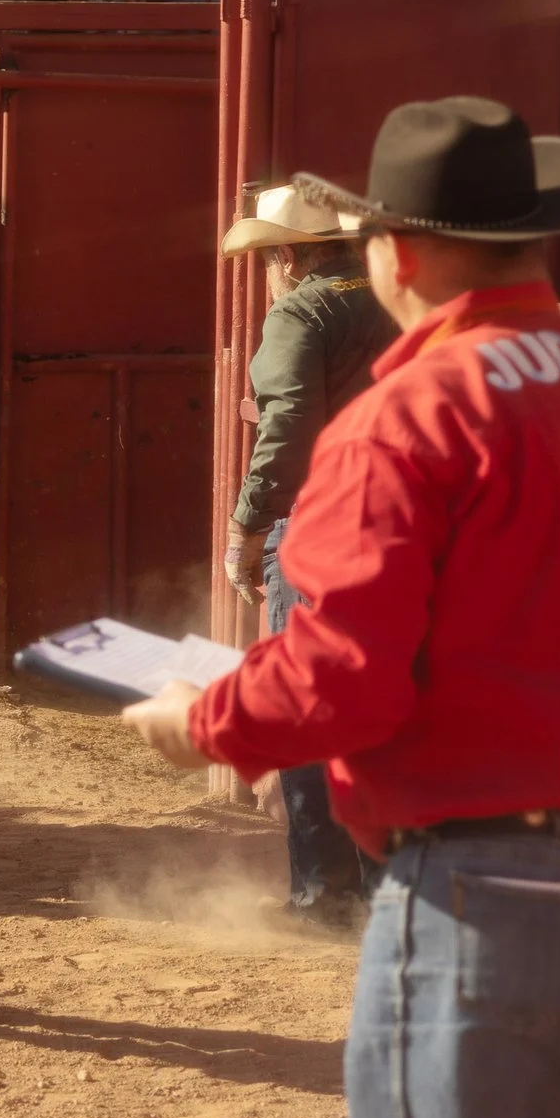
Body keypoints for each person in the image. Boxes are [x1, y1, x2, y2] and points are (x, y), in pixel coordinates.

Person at [120, 97, 560, 1118]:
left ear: (396, 249)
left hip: (484, 887)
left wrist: (207, 722)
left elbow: (345, 678)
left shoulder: (405, 417)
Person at [216, 183, 395, 924]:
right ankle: (395, 888)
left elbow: (288, 427)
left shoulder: (302, 311)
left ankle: (325, 893)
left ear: (286, 255)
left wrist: (247, 527)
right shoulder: (398, 299)